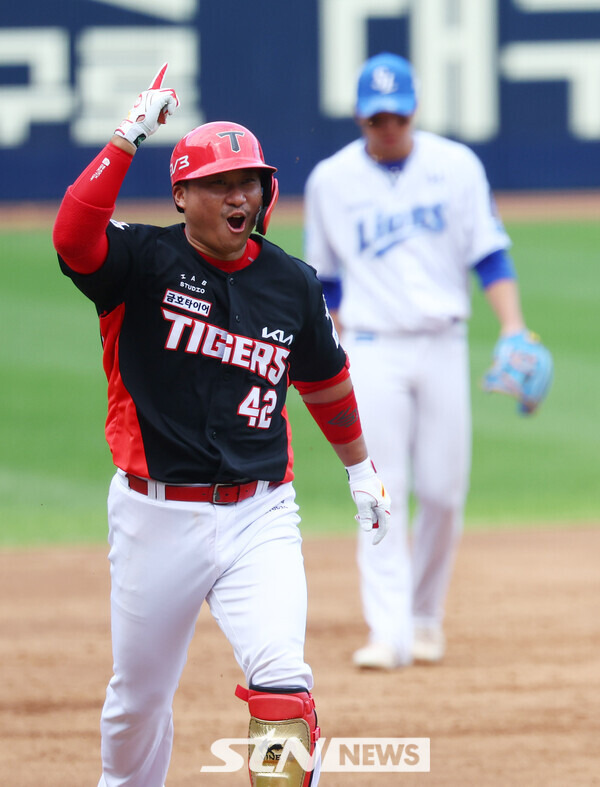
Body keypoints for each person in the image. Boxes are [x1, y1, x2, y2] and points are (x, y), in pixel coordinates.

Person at [52, 64, 391, 787]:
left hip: (259, 511)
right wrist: (125, 138)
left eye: (251, 182)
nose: (240, 196)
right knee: (136, 703)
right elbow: (74, 236)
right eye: (220, 184)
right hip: (154, 513)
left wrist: (360, 469)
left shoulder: (291, 282)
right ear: (182, 195)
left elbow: (325, 382)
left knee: (282, 684)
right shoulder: (141, 261)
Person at [304, 52, 552, 670]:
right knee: (381, 490)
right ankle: (387, 631)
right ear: (361, 119)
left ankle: (424, 616)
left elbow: (490, 255)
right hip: (370, 347)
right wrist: (332, 350)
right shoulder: (330, 181)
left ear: (414, 110)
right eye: (375, 118)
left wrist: (514, 326)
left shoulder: (456, 166)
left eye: (396, 115)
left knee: (443, 493)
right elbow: (326, 283)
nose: (386, 127)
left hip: (442, 344)